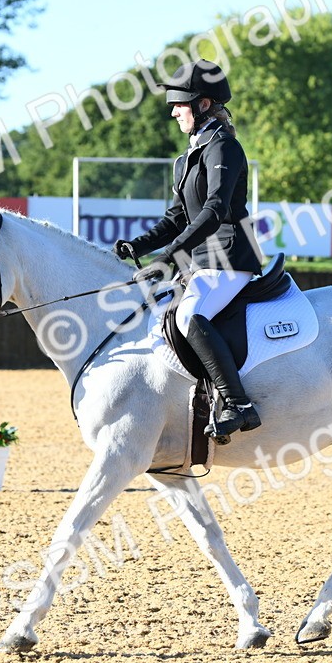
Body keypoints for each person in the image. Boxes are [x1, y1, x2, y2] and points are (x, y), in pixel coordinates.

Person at [113, 59, 263, 437]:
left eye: (179, 104)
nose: (174, 112)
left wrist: (169, 257)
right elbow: (176, 218)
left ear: (203, 104)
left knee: (190, 316)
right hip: (200, 262)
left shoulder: (224, 147)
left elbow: (214, 211)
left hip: (229, 257)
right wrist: (138, 246)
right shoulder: (186, 159)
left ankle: (239, 404)